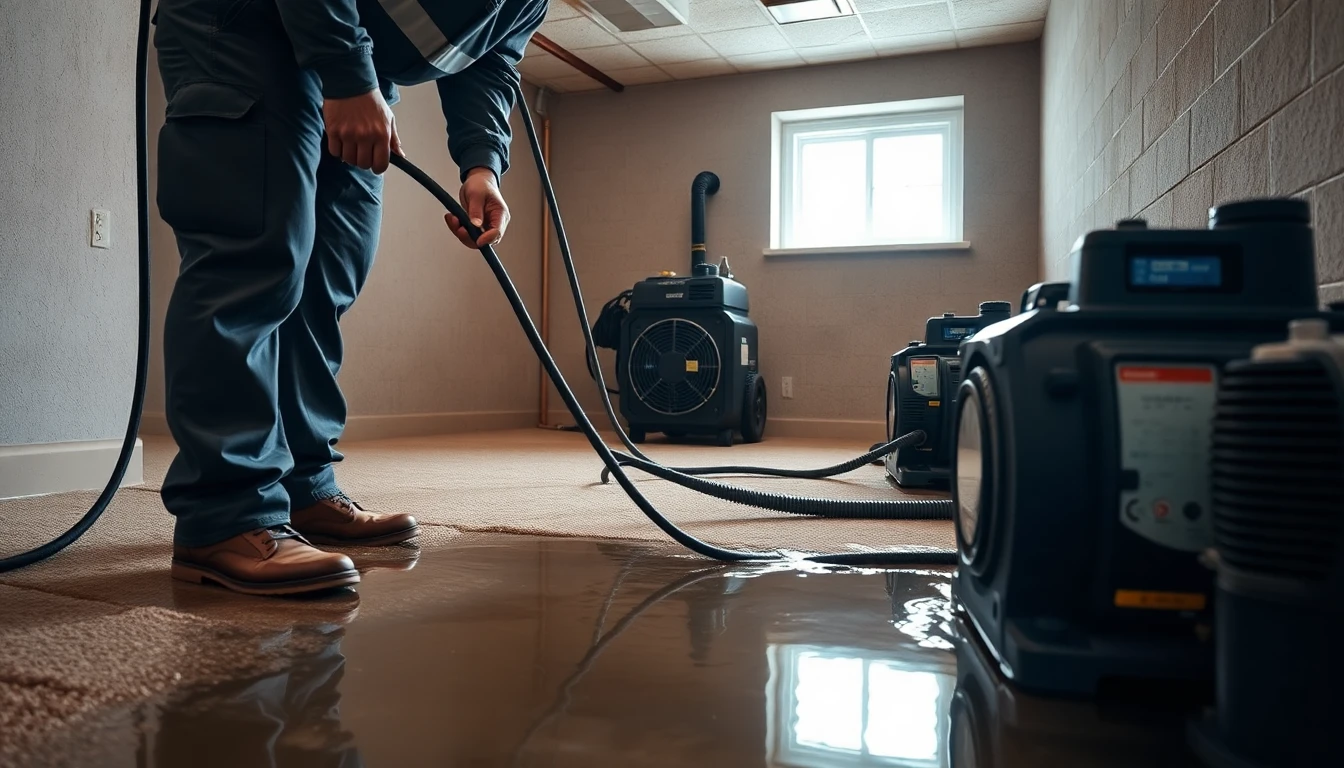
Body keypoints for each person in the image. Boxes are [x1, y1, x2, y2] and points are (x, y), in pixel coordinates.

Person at [154, 0, 547, 596]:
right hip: (243, 24)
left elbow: (491, 55)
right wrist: (347, 74)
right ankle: (226, 514)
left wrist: (482, 165)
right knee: (254, 256)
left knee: (327, 276)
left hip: (356, 58)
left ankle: (302, 486)